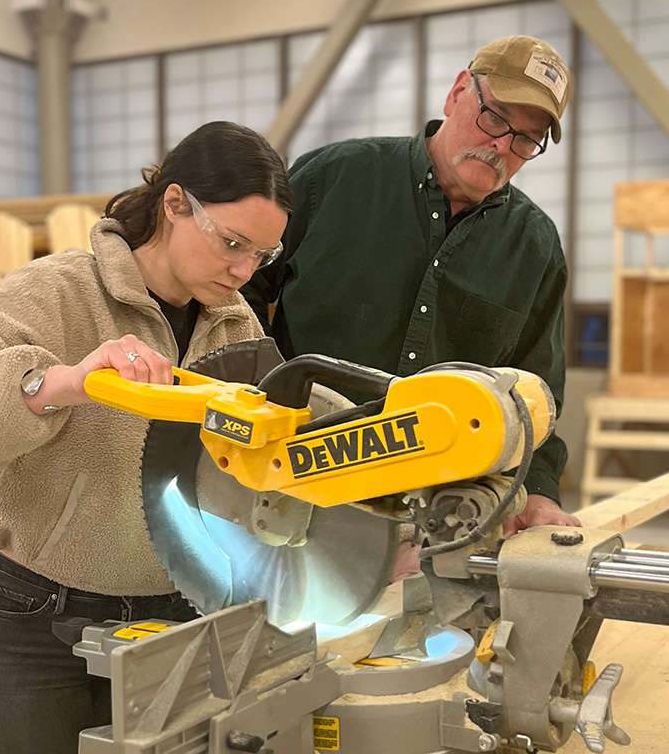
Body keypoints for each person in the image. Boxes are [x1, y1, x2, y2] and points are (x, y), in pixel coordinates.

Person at [0, 121, 290, 754]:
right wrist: (59, 383)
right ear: (175, 204)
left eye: (262, 256)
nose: (245, 270)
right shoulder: (59, 291)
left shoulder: (235, 328)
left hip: (176, 621)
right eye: (233, 243)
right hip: (30, 625)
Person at [243, 36, 580, 533]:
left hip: (440, 510)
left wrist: (541, 494)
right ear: (458, 92)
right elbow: (238, 294)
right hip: (291, 482)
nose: (502, 146)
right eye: (495, 118)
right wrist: (256, 401)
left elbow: (537, 394)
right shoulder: (332, 180)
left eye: (526, 141)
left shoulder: (535, 247)